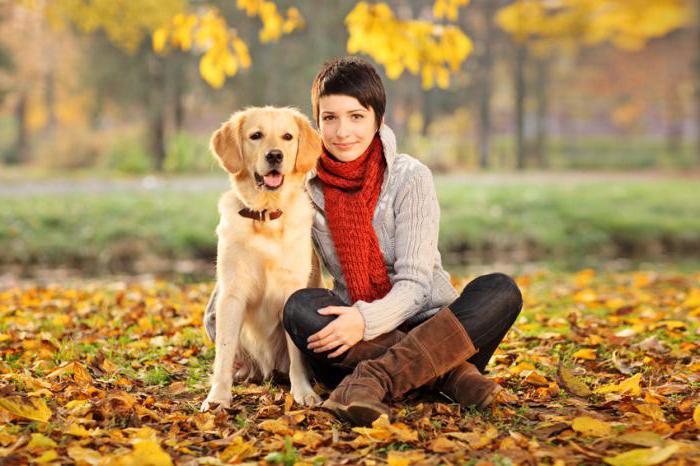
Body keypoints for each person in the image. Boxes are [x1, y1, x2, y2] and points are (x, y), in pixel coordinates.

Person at [204, 56, 523, 426]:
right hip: (355, 342)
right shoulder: (302, 186)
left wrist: (365, 320)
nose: (342, 132)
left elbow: (417, 285)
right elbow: (251, 270)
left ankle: (373, 381)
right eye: (330, 118)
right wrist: (224, 326)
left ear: (378, 121)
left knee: (499, 290)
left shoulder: (410, 177)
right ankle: (453, 377)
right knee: (301, 307)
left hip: (427, 325)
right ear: (318, 123)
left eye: (356, 117)